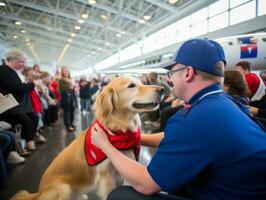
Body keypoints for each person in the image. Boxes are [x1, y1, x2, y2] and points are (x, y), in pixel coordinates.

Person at [91, 38, 266, 200]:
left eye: (172, 71)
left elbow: (145, 184)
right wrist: (136, 138)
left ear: (188, 73)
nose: (169, 78)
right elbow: (181, 137)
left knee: (121, 195)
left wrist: (105, 145)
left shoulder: (193, 119)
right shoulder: (228, 102)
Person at [0, 50, 41, 151]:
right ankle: (25, 141)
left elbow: (20, 87)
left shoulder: (13, 71)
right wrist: (33, 84)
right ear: (13, 60)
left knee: (35, 117)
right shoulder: (4, 70)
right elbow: (18, 88)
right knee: (27, 121)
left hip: (18, 105)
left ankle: (28, 140)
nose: (23, 64)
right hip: (10, 107)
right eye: (21, 62)